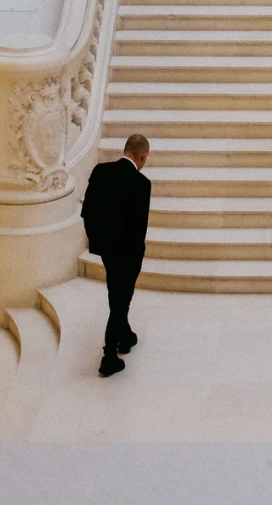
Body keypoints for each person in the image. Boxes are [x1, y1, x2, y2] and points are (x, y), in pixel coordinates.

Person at [81, 132, 151, 376]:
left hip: (106, 249)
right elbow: (140, 226)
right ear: (142, 157)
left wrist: (97, 240)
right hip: (128, 253)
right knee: (121, 302)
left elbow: (86, 211)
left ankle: (126, 335)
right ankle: (109, 355)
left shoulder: (100, 171)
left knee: (116, 293)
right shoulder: (142, 184)